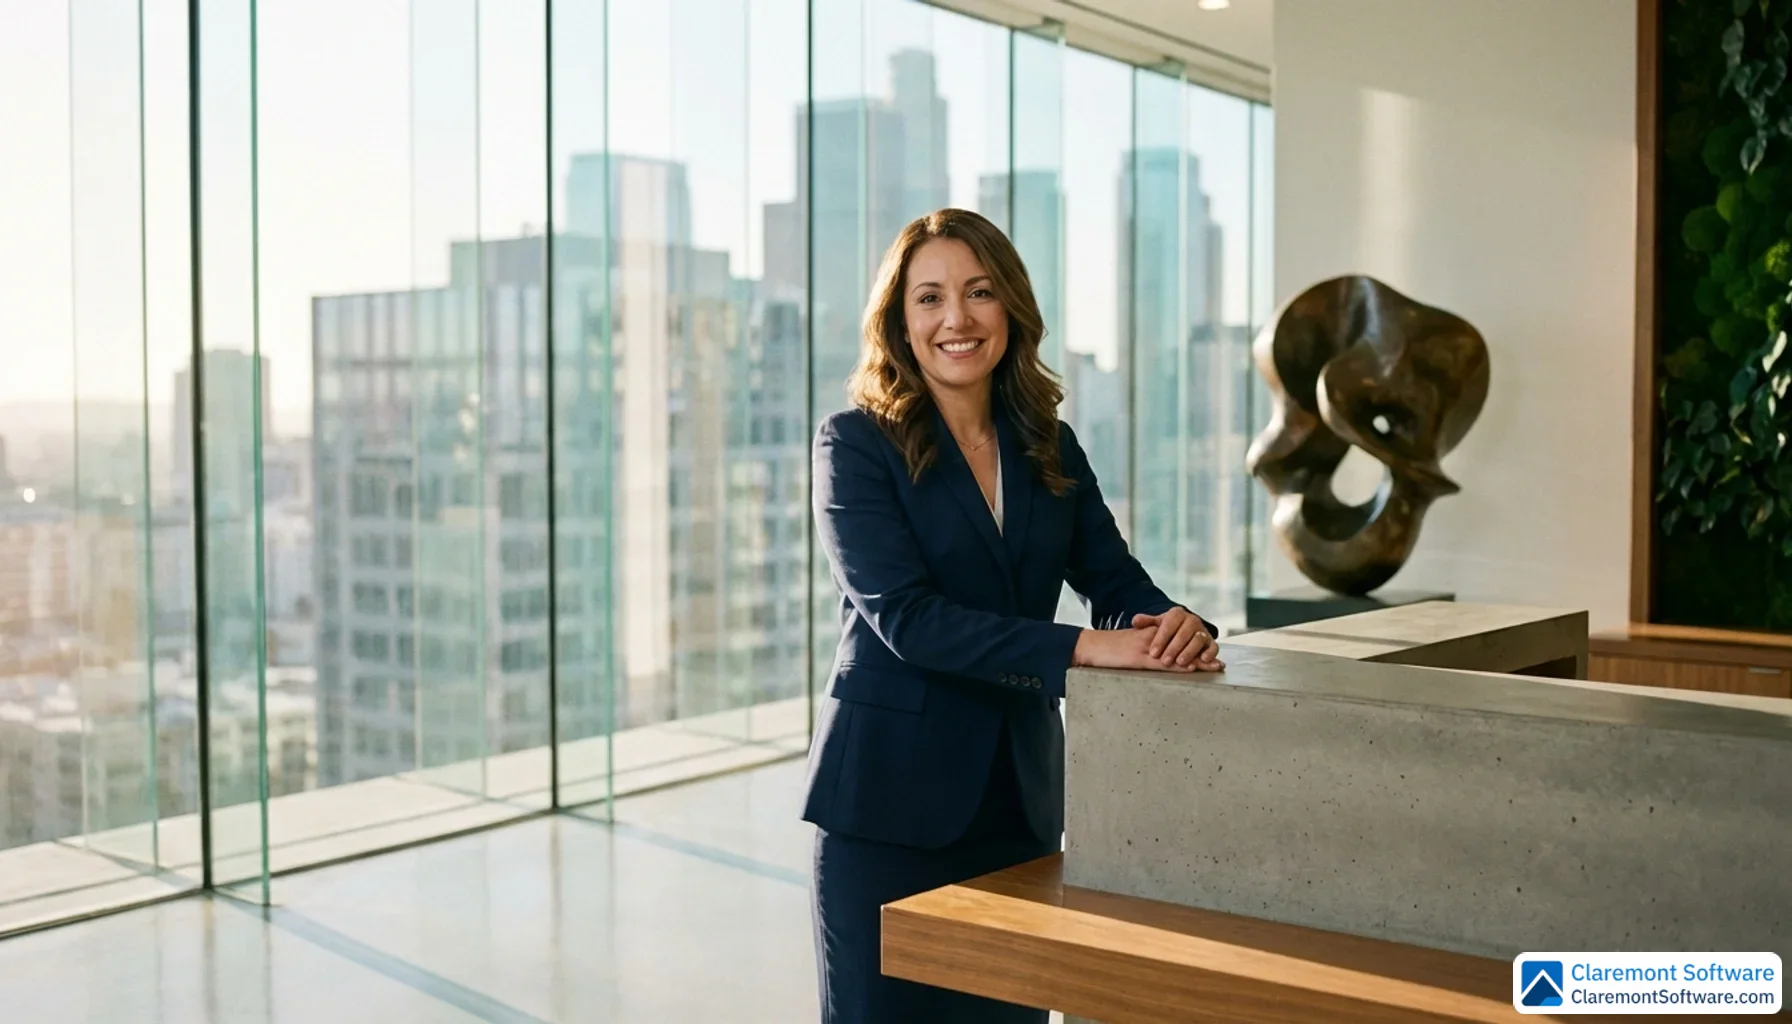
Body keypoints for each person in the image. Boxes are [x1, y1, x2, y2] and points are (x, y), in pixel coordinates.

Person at [805, 207, 1224, 1024]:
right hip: (888, 809)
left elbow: (1114, 577)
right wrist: (1088, 650)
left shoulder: (1050, 447)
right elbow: (910, 620)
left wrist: (1170, 622)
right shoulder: (855, 445)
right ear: (899, 321)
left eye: (979, 292)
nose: (956, 318)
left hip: (1018, 808)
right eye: (929, 298)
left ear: (1012, 310)